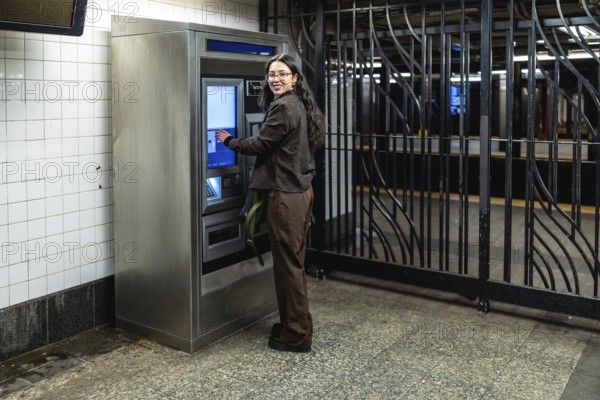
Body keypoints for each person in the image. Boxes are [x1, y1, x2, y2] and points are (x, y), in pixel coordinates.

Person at [215, 53, 325, 353]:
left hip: (286, 197)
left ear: (294, 78)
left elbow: (260, 144)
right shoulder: (300, 104)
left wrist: (229, 141)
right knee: (295, 263)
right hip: (300, 191)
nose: (274, 79)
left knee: (287, 267)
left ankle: (296, 335)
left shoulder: (283, 106)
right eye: (271, 74)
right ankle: (299, 322)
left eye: (281, 74)